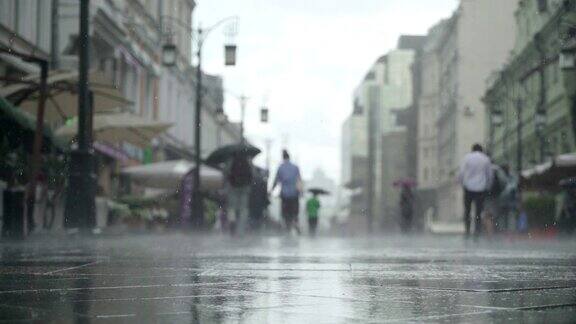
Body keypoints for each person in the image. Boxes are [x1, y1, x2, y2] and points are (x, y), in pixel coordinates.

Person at [458, 143, 492, 238]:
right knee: (478, 210)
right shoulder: (486, 159)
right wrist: (488, 186)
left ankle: (467, 229)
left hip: (468, 187)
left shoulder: (467, 158)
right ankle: (477, 230)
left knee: (467, 210)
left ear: (472, 149)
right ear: (481, 150)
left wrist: (462, 183)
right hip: (481, 188)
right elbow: (489, 174)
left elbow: (461, 172)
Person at [271, 150, 302, 234]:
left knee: (285, 212)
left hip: (284, 194)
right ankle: (295, 223)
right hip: (294, 194)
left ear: (283, 157)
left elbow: (276, 181)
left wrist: (271, 190)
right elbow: (299, 181)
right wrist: (300, 192)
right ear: (289, 157)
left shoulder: (281, 168)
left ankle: (287, 228)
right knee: (294, 211)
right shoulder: (295, 167)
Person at [226, 153, 254, 235]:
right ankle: (241, 229)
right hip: (245, 188)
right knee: (243, 209)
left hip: (233, 187)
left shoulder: (231, 159)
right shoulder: (248, 159)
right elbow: (252, 173)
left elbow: (226, 172)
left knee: (232, 207)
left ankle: (232, 221)